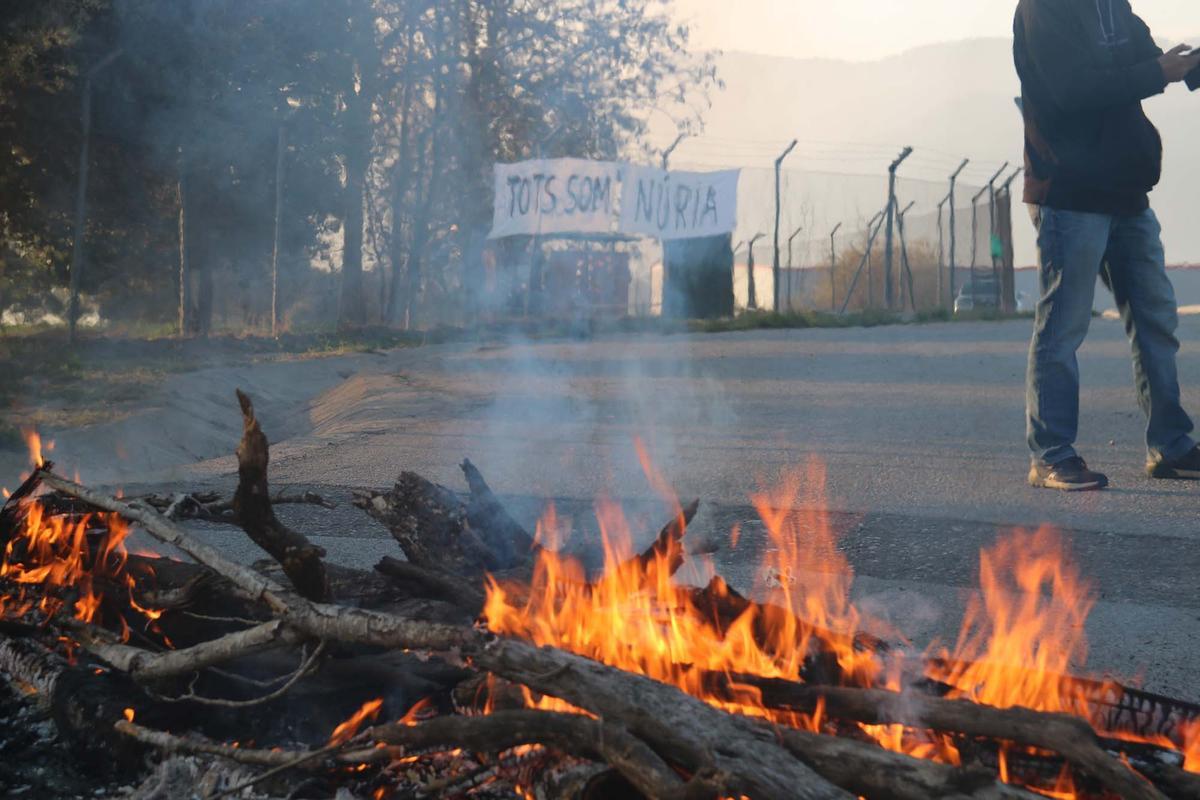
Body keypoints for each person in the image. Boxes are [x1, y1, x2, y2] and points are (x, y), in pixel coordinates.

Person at [1014, 0, 1200, 491]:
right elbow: (1072, 89)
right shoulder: (1042, 8)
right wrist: (1155, 71)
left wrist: (1182, 64)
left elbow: (1142, 60)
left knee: (1157, 318)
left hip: (1126, 190)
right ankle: (1051, 455)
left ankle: (1171, 445)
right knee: (1064, 324)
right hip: (1069, 192)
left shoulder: (1113, 4)